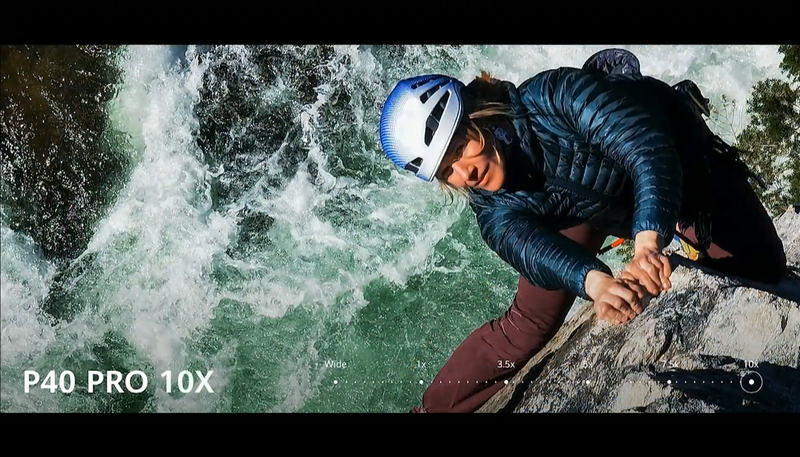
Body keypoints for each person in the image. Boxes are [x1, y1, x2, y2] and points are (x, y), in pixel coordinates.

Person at [377, 48, 788, 413]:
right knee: (527, 323)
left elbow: (646, 147)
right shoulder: (492, 208)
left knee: (762, 267)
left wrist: (648, 243)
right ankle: (432, 409)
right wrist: (595, 283)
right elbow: (530, 249)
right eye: (446, 170)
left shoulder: (555, 96)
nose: (464, 173)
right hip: (584, 207)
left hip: (677, 170)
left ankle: (675, 233)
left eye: (459, 148)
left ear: (476, 115)